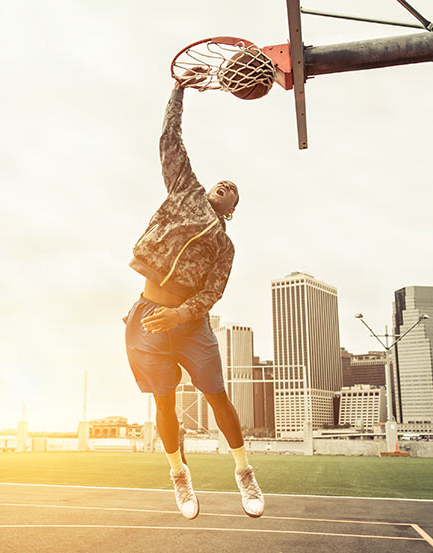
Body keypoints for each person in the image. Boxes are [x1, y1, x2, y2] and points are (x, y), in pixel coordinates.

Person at [123, 74, 264, 520]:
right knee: (164, 403)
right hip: (148, 315)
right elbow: (170, 138)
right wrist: (178, 91)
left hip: (189, 323)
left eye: (232, 190)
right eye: (221, 182)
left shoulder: (225, 245)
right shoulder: (185, 190)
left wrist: (181, 314)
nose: (225, 184)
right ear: (206, 189)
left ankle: (243, 471)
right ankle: (178, 475)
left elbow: (213, 291)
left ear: (231, 209)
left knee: (217, 396)